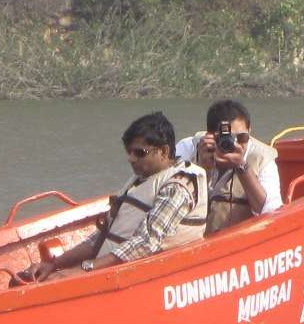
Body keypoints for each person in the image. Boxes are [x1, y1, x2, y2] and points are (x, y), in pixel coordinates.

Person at [20, 111, 206, 281]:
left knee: (53, 282)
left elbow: (147, 242)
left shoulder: (178, 185)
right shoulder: (141, 179)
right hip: (105, 270)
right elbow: (99, 238)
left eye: (140, 153)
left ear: (164, 151)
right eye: (129, 152)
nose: (131, 158)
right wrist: (54, 264)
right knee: (28, 279)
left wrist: (84, 269)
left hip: (137, 278)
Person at [175, 98, 282, 235]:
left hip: (238, 242)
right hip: (191, 241)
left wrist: (242, 167)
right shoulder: (189, 148)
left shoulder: (262, 157)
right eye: (226, 138)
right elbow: (171, 199)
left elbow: (270, 212)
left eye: (242, 137)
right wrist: (201, 168)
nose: (234, 144)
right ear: (210, 136)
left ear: (250, 131)